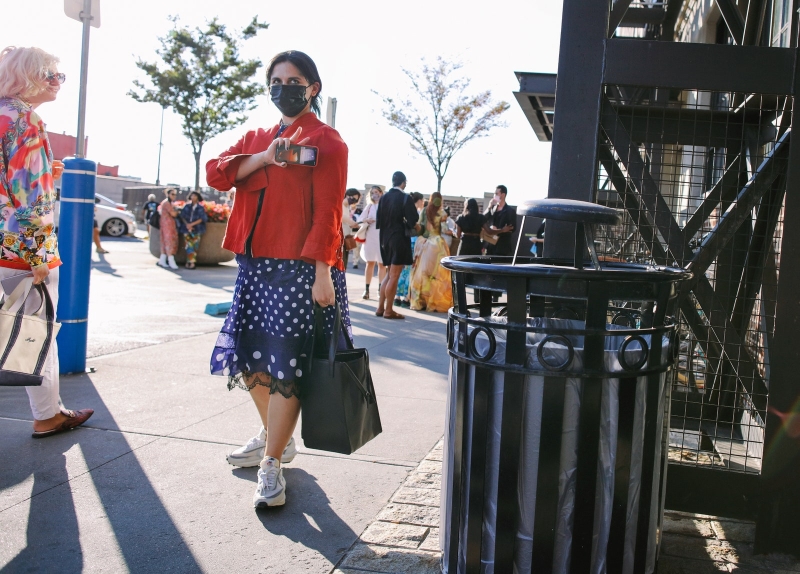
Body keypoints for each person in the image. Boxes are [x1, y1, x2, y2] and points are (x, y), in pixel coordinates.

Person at [206, 50, 350, 509]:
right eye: (276, 79)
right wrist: (263, 157)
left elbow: (329, 211)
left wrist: (323, 271)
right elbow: (216, 173)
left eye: (294, 80)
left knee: (285, 366)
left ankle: (272, 464)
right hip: (253, 265)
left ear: (313, 87)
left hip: (300, 269)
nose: (284, 87)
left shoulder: (328, 142)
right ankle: (276, 437)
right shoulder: (258, 136)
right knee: (250, 358)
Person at [0, 46, 93, 437]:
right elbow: (30, 196)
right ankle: (47, 414)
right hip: (16, 246)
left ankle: (48, 411)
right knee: (38, 327)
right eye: (51, 74)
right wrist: (40, 256)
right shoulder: (25, 120)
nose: (58, 82)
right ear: (27, 77)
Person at [375, 172, 419, 319]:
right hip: (398, 237)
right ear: (403, 183)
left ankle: (380, 308)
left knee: (388, 274)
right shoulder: (405, 197)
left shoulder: (384, 197)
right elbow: (413, 219)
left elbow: (378, 220)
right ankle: (388, 310)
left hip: (384, 238)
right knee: (394, 276)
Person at [409, 192, 453, 312]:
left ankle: (420, 301)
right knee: (437, 275)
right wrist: (451, 232)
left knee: (421, 272)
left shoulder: (424, 211)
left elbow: (419, 226)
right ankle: (432, 302)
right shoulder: (442, 213)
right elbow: (444, 229)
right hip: (437, 245)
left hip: (424, 243)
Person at [395, 191, 423, 308]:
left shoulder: (405, 211)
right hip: (414, 243)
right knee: (411, 270)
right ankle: (406, 297)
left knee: (402, 270)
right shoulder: (416, 213)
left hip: (405, 242)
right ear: (419, 200)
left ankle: (397, 296)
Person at [358, 186, 385, 299]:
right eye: (373, 192)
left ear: (381, 193)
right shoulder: (369, 207)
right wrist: (367, 220)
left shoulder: (385, 206)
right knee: (370, 263)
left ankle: (380, 289)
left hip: (382, 238)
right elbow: (360, 220)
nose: (375, 194)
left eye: (377, 192)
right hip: (370, 237)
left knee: (382, 264)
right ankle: (367, 289)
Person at [483, 185, 516, 256]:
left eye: (496, 194)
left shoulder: (510, 211)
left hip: (501, 246)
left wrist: (497, 230)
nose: (494, 196)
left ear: (503, 195)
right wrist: (489, 207)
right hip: (490, 244)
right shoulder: (492, 209)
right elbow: (482, 219)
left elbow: (512, 228)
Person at [179, 191, 208, 269]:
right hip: (187, 229)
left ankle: (190, 262)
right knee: (188, 245)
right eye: (192, 196)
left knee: (194, 245)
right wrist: (188, 225)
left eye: (195, 196)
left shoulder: (200, 208)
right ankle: (191, 262)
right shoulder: (187, 206)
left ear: (198, 197)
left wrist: (192, 225)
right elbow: (182, 216)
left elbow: (202, 218)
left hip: (197, 229)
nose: (193, 197)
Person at [157, 188, 179, 269]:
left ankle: (162, 260)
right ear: (168, 194)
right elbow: (173, 214)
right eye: (172, 194)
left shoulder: (167, 203)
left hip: (166, 224)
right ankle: (170, 260)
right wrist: (177, 212)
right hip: (167, 224)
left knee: (164, 241)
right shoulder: (167, 203)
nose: (174, 196)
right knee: (169, 241)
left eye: (175, 194)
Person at [342, 188, 360, 270]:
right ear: (347, 195)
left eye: (355, 200)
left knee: (343, 265)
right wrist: (352, 222)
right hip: (340, 238)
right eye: (353, 198)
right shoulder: (340, 204)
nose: (353, 201)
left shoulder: (347, 207)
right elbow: (341, 217)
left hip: (346, 237)